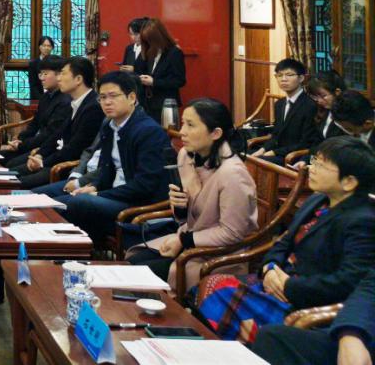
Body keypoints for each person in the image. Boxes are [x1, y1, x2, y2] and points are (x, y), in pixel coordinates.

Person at [197, 136, 375, 343]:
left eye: (321, 165)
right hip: (279, 280)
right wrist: (270, 268)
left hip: (307, 301)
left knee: (216, 288)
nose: (310, 168)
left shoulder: (362, 221)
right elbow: (283, 241)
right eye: (314, 161)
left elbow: (347, 282)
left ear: (349, 182)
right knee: (210, 286)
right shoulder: (318, 200)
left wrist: (289, 286)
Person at [126, 98, 258, 291]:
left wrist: (184, 240)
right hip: (190, 242)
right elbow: (190, 216)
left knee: (136, 275)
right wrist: (180, 208)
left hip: (218, 255)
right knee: (132, 262)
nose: (182, 132)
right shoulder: (186, 156)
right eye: (183, 124)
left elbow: (232, 233)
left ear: (215, 133)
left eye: (190, 125)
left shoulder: (233, 174)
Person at [47, 70, 171, 242]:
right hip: (113, 195)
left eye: (113, 96)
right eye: (102, 97)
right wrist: (94, 187)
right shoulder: (109, 126)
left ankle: (77, 249)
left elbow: (144, 185)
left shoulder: (148, 131)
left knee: (76, 203)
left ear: (132, 97)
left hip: (137, 203)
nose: (107, 102)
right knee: (53, 202)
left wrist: (100, 194)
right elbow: (107, 169)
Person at [253, 268, 375, 365]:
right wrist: (351, 334)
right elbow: (369, 287)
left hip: (308, 297)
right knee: (271, 339)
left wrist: (289, 285)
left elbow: (345, 280)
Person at [16, 56, 103, 189]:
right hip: (56, 159)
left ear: (78, 79)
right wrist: (40, 154)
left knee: (20, 183)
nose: (58, 78)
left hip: (70, 167)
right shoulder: (75, 102)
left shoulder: (93, 107)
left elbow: (75, 148)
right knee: (12, 173)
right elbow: (57, 134)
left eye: (63, 74)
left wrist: (43, 162)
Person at [3, 55, 69, 170]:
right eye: (40, 74)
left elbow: (49, 134)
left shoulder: (65, 101)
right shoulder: (46, 96)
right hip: (33, 144)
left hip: (45, 148)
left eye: (45, 74)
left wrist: (22, 145)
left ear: (59, 75)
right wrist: (20, 139)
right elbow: (35, 123)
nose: (41, 78)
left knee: (11, 166)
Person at [253, 58, 322, 162]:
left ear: (301, 78)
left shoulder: (310, 105)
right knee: (245, 155)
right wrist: (262, 149)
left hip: (295, 157)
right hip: (278, 153)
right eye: (279, 75)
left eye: (289, 75)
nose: (283, 79)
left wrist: (274, 152)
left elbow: (306, 142)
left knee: (259, 162)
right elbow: (275, 135)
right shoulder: (279, 104)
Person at [133, 18, 186, 125]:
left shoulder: (174, 53)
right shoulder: (147, 50)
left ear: (158, 37)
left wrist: (154, 82)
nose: (148, 43)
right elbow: (137, 70)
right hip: (146, 102)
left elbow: (179, 80)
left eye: (150, 40)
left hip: (165, 104)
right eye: (146, 40)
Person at [306, 69, 346, 140]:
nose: (319, 101)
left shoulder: (346, 115)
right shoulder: (325, 111)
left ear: (337, 92)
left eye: (323, 96)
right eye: (315, 96)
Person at [27, 36, 55, 100]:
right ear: (40, 47)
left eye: (49, 46)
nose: (46, 48)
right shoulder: (33, 64)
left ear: (52, 48)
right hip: (38, 98)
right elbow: (33, 85)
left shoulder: (55, 62)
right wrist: (41, 100)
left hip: (54, 98)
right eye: (44, 45)